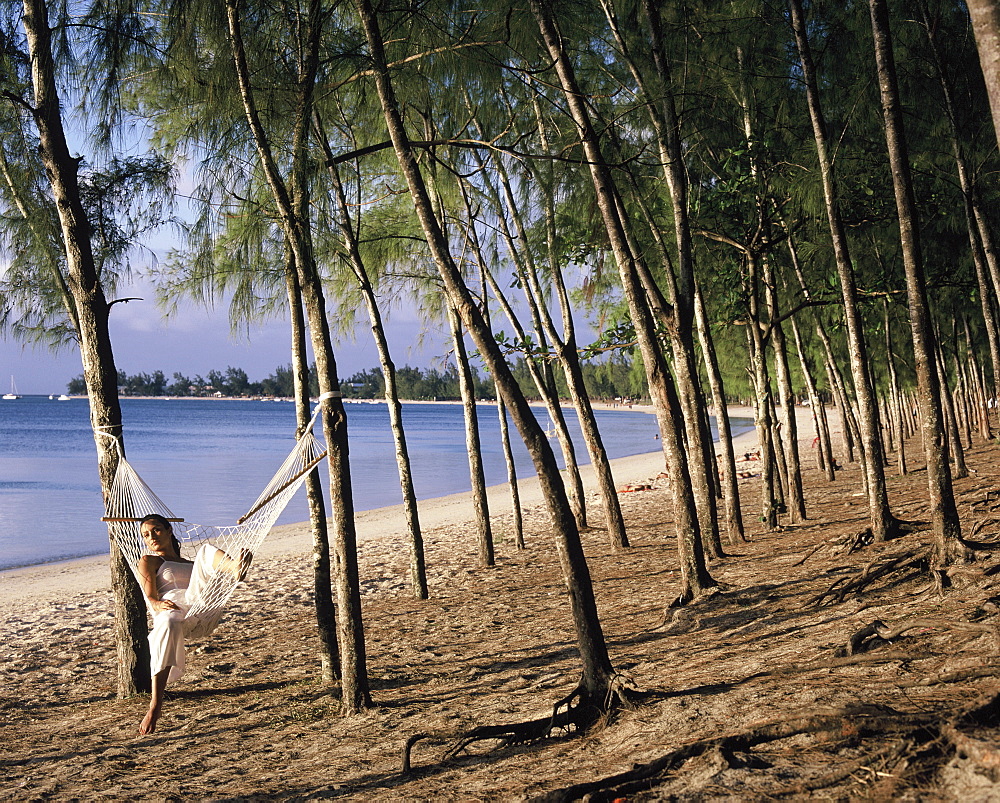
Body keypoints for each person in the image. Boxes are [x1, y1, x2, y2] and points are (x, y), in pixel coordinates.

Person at [136, 514, 251, 735]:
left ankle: (235, 568)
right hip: (172, 610)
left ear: (169, 530)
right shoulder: (149, 561)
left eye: (156, 530)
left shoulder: (192, 565)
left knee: (206, 551)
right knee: (168, 621)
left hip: (199, 609)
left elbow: (204, 577)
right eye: (146, 535)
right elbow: (150, 597)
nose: (151, 537)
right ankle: (155, 705)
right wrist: (158, 605)